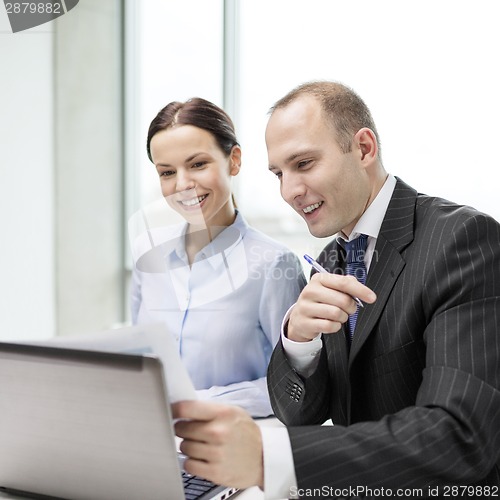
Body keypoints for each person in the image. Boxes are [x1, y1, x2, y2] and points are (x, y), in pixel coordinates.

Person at [172, 82, 500, 497]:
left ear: (363, 149)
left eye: (304, 163)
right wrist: (298, 344)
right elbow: (299, 413)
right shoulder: (330, 261)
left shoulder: (462, 239)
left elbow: (458, 437)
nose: (288, 191)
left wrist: (267, 456)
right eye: (278, 174)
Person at [131, 97, 306, 418]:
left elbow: (297, 386)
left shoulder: (273, 264)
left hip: (232, 452)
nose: (182, 184)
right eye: (167, 172)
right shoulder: (148, 253)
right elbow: (139, 361)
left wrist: (194, 405)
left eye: (198, 164)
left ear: (233, 160)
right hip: (152, 444)